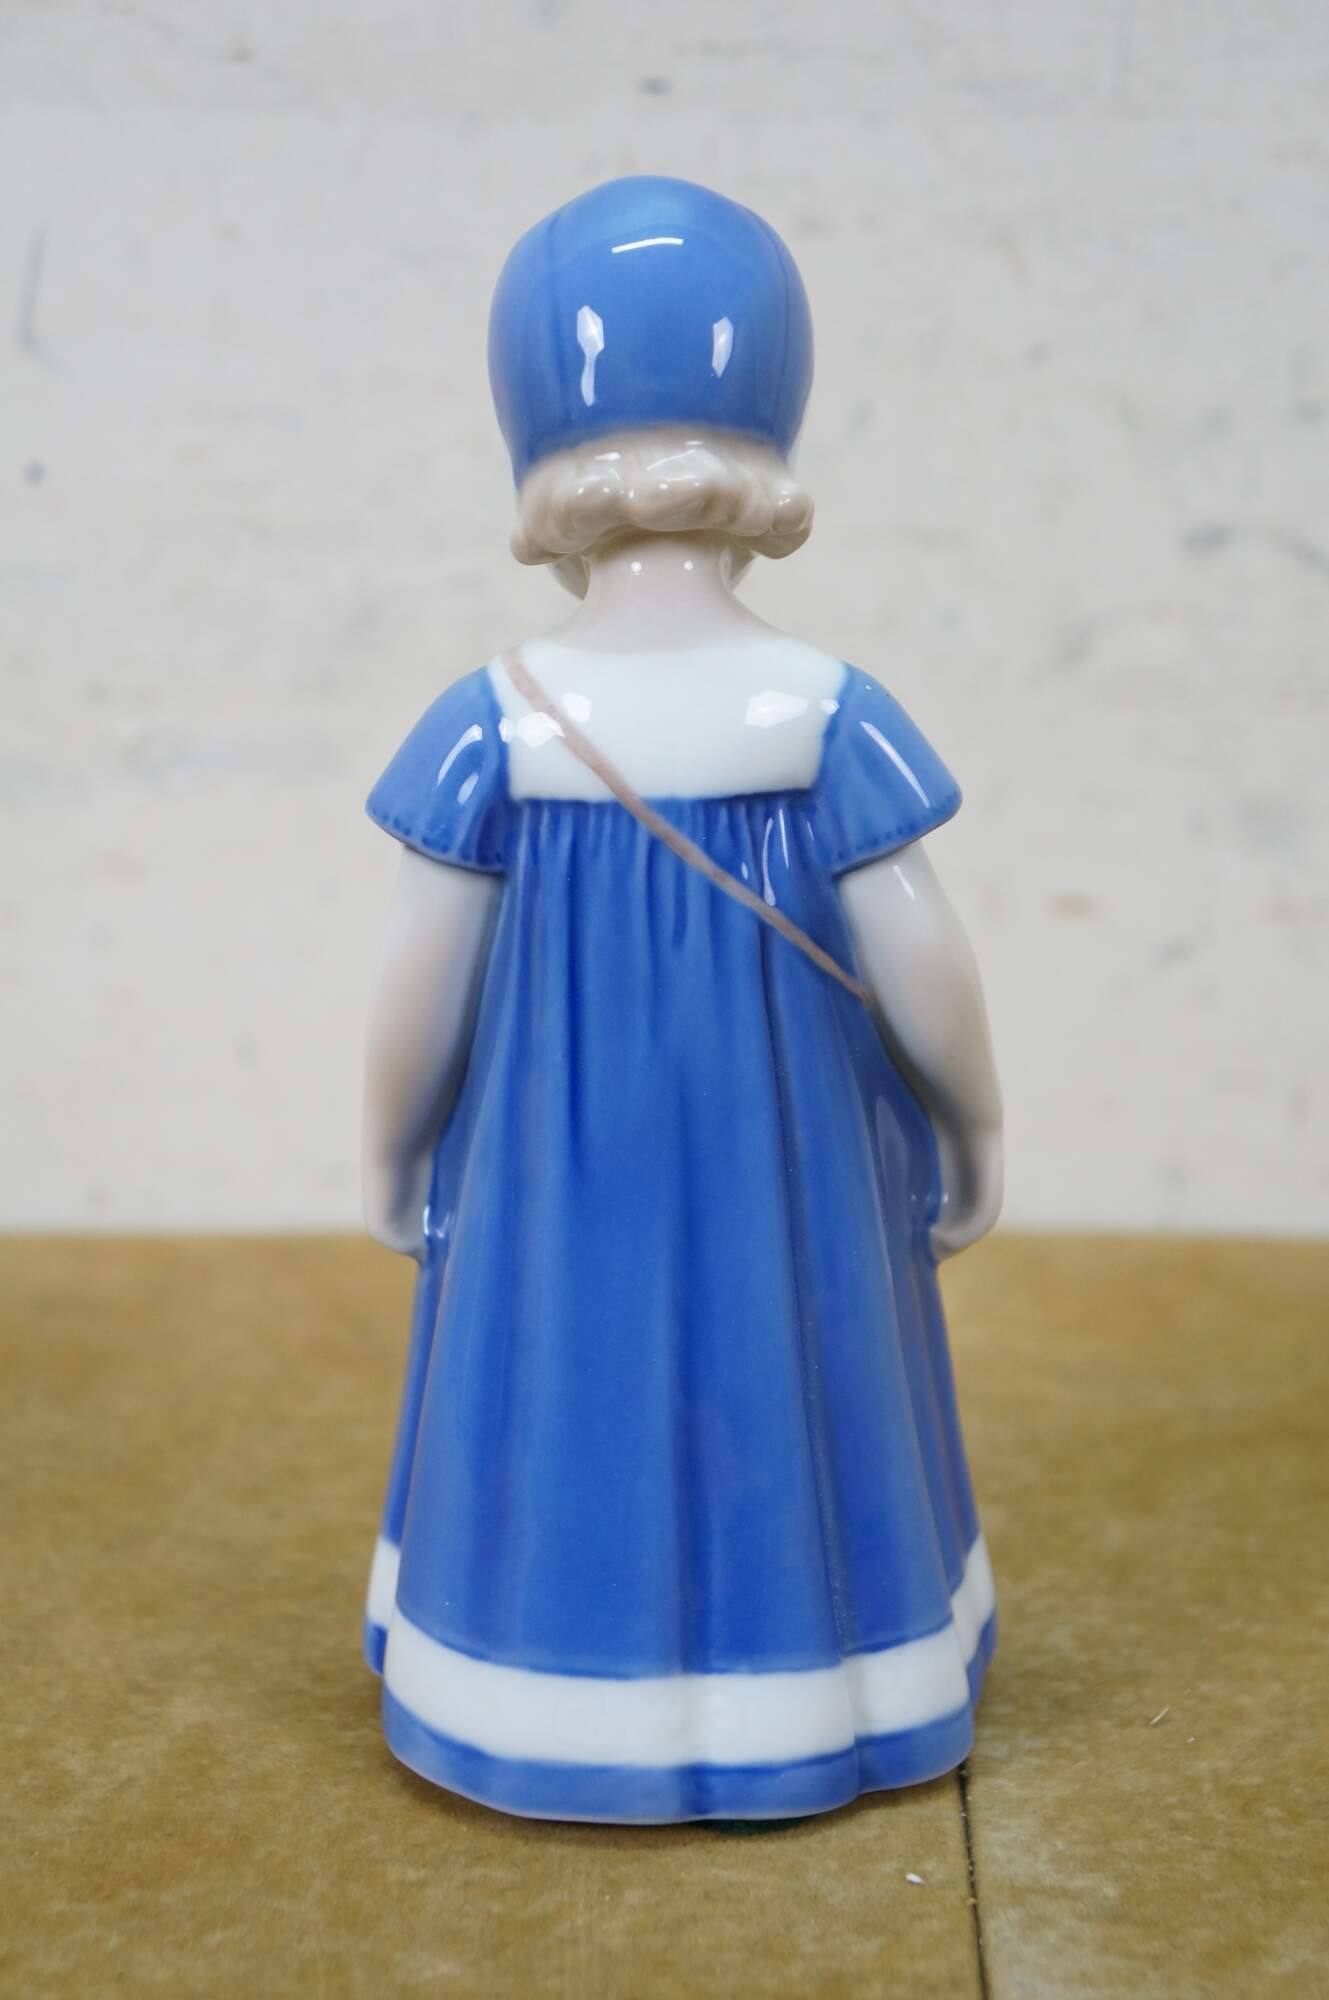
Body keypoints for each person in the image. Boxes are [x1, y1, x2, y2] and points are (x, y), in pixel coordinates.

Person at [359, 177, 1002, 1823]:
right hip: (791, 1178)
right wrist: (973, 1121)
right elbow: (921, 956)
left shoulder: (490, 722)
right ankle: (837, 1674)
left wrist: (390, 1147)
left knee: (556, 1377)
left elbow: (422, 976)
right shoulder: (823, 711)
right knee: (799, 1361)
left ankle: (522, 1684)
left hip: (554, 1187)